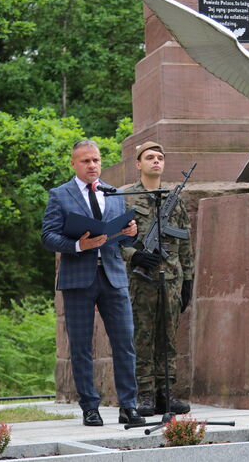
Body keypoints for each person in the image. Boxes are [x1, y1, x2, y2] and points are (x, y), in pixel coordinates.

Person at [41, 139, 145, 426]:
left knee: (124, 342)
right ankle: (90, 407)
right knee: (81, 346)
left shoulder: (113, 193)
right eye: (86, 161)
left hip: (113, 276)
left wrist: (131, 232)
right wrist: (78, 246)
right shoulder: (59, 195)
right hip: (78, 278)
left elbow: (123, 240)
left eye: (96, 160)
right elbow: (48, 237)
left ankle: (129, 406)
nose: (92, 165)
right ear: (74, 163)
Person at [121, 141, 194, 416]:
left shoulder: (174, 199)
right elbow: (113, 239)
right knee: (143, 336)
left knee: (168, 337)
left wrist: (188, 280)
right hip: (141, 280)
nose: (156, 161)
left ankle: (166, 393)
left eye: (160, 158)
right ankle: (146, 394)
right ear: (138, 164)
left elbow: (186, 242)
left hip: (172, 278)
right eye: (149, 157)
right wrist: (134, 256)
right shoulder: (125, 198)